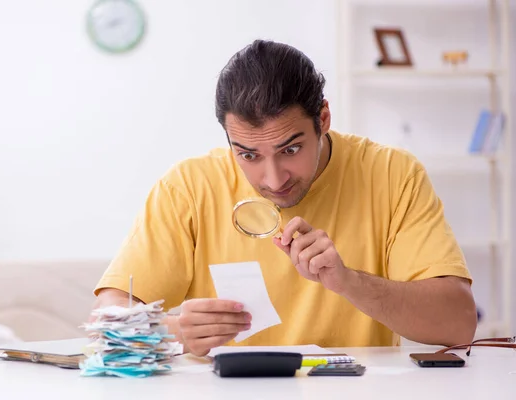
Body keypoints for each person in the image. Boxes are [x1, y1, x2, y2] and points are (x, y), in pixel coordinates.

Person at [91, 39, 477, 357]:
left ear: (323, 120)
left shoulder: (392, 174)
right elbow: (104, 324)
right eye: (248, 155)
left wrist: (349, 282)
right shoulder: (187, 187)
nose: (273, 179)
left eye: (290, 149)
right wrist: (173, 331)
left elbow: (458, 323)